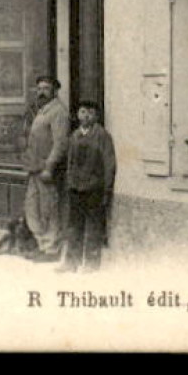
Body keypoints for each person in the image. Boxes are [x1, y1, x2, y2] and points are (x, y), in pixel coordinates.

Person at [60, 100, 116, 273]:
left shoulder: (102, 136)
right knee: (73, 226)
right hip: (76, 188)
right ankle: (71, 262)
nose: (86, 116)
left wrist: (106, 189)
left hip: (94, 189)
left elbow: (109, 164)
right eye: (82, 112)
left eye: (90, 113)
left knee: (93, 227)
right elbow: (69, 162)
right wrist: (69, 182)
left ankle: (91, 264)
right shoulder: (74, 136)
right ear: (77, 115)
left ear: (96, 116)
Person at [23, 74, 70, 261]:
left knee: (49, 208)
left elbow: (60, 143)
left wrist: (49, 167)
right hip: (35, 168)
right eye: (39, 88)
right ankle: (42, 245)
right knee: (33, 207)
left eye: (46, 88)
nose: (42, 92)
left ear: (55, 91)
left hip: (47, 170)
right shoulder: (42, 111)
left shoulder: (58, 112)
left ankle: (52, 249)